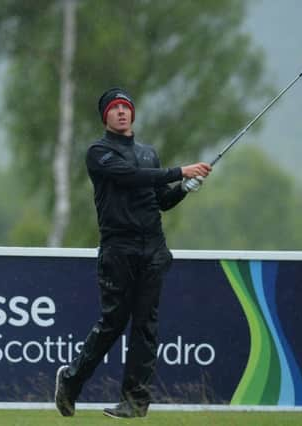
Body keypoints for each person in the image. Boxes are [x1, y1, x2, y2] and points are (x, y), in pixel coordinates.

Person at [54, 87, 212, 419]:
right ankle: (70, 381)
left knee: (146, 327)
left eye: (126, 107)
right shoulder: (99, 152)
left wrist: (184, 188)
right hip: (118, 250)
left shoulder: (148, 153)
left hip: (152, 250)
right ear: (105, 117)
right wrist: (180, 172)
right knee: (113, 323)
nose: (122, 112)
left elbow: (160, 201)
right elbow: (129, 178)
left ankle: (135, 402)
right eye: (115, 108)